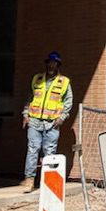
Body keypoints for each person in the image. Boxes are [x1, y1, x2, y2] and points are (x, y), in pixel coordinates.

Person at [21, 52, 73, 192]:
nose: (51, 65)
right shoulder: (37, 79)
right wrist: (26, 115)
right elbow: (29, 98)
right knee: (33, 149)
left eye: (54, 63)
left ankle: (47, 181)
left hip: (52, 123)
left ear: (58, 65)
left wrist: (61, 118)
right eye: (49, 63)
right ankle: (29, 180)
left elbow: (68, 102)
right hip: (35, 121)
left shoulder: (64, 82)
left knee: (49, 152)